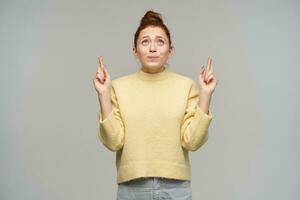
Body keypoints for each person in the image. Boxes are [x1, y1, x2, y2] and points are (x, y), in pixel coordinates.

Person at [93, 10, 218, 200]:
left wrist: (206, 95)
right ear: (135, 50)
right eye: (145, 42)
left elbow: (192, 142)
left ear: (170, 50)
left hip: (176, 187)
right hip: (132, 188)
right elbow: (113, 142)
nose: (153, 48)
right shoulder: (117, 87)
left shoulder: (186, 86)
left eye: (160, 41)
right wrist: (103, 94)